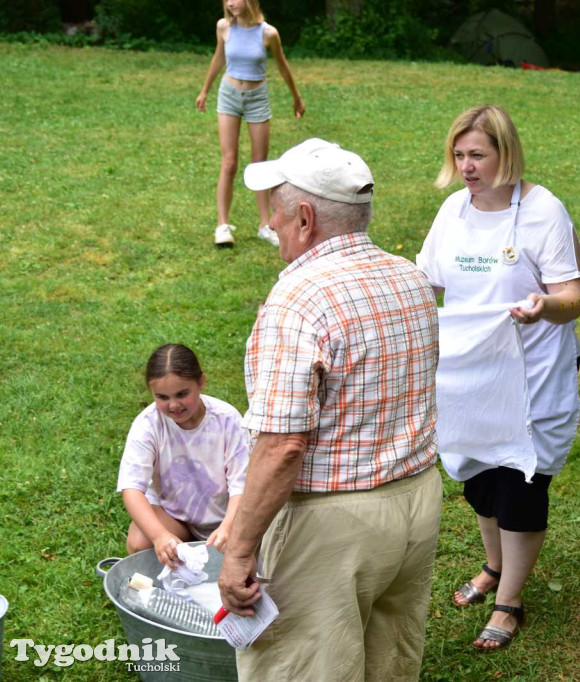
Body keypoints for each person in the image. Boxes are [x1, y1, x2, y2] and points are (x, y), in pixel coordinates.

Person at [218, 138, 442, 681]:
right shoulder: (411, 278)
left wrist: (240, 553)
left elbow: (283, 444)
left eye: (274, 207)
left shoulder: (299, 298)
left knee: (302, 670)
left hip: (333, 524)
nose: (269, 220)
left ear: (305, 217)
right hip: (416, 504)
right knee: (390, 666)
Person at [417, 105, 580, 651]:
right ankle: (493, 564)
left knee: (521, 486)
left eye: (478, 155)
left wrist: (543, 307)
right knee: (479, 482)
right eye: (459, 155)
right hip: (469, 370)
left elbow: (572, 298)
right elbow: (429, 284)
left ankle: (509, 599)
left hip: (532, 373)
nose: (467, 167)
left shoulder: (543, 211)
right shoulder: (453, 212)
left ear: (505, 153)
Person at [117, 344, 249, 568]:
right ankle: (174, 562)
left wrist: (227, 527)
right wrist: (160, 536)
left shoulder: (227, 420)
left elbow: (242, 486)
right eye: (162, 397)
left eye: (182, 394)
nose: (174, 405)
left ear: (201, 382)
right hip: (175, 517)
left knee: (247, 567)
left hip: (225, 519)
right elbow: (131, 488)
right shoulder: (148, 424)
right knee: (140, 542)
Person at [195, 0, 305, 249]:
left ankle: (266, 225)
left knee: (260, 164)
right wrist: (204, 91)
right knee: (229, 162)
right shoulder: (223, 27)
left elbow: (282, 65)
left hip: (257, 98)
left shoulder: (268, 33)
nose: (231, 3)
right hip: (229, 95)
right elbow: (218, 58)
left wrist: (296, 97)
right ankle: (222, 226)